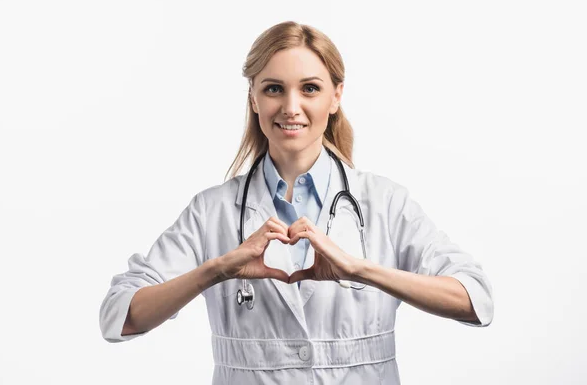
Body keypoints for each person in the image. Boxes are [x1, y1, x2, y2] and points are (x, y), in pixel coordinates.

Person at [99, 21, 494, 384]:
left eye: (310, 88)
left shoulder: (384, 203)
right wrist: (216, 270)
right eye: (273, 88)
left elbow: (474, 300)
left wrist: (360, 270)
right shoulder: (212, 212)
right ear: (253, 98)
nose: (291, 107)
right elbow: (121, 316)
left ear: (335, 97)